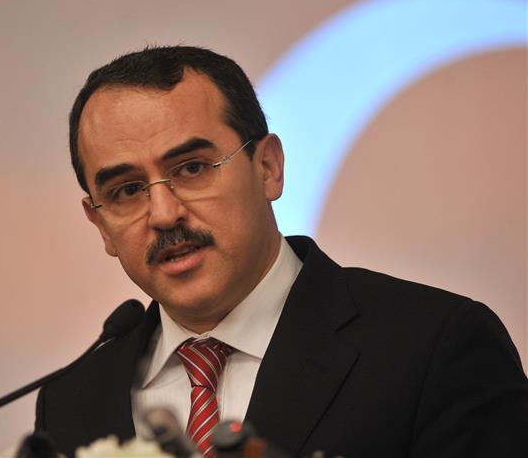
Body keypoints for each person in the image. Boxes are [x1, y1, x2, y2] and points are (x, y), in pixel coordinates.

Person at [35, 46, 528, 458]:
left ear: (268, 167)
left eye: (192, 168)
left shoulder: (432, 345)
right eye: (126, 190)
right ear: (100, 224)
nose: (163, 214)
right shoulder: (70, 402)